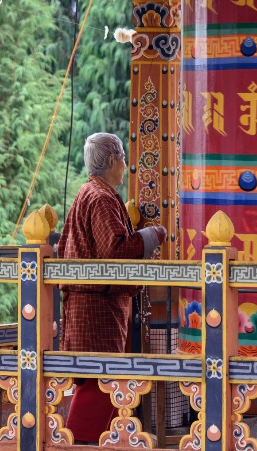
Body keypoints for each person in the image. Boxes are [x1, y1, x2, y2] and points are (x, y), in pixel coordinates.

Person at [58, 132, 166, 444]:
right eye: (122, 159)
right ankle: (75, 445)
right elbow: (114, 251)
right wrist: (151, 236)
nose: (124, 166)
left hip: (89, 305)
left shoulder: (87, 192)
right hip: (96, 310)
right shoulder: (102, 198)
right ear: (110, 160)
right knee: (99, 383)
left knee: (99, 382)